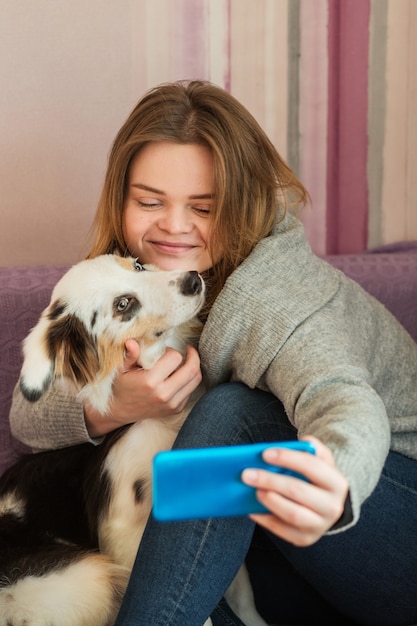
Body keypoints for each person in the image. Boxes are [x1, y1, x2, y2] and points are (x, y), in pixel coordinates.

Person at [10, 80, 417, 626]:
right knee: (187, 563)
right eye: (150, 201)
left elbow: (344, 399)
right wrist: (119, 406)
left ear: (243, 205)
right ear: (121, 198)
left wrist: (334, 479)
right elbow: (27, 414)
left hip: (387, 519)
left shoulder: (279, 300)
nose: (174, 227)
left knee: (231, 412)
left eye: (203, 207)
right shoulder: (129, 279)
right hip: (292, 555)